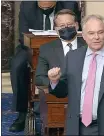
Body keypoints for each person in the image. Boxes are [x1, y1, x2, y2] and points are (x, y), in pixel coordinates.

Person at [9, 1, 80, 132]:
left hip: (62, 43)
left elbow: (78, 31)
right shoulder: (26, 6)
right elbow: (23, 35)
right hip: (30, 47)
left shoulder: (70, 5)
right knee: (17, 66)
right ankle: (22, 113)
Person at [35, 9, 85, 87]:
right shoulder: (46, 49)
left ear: (77, 25)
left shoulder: (88, 45)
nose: (66, 27)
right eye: (62, 26)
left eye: (70, 24)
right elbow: (39, 78)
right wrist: (54, 82)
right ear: (56, 29)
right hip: (59, 93)